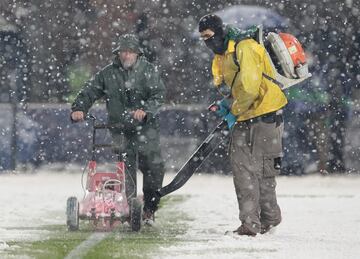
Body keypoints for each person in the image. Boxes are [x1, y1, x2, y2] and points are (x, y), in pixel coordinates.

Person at [198, 14, 288, 236]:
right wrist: (225, 104)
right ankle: (251, 223)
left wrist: (233, 112)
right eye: (203, 38)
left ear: (219, 31)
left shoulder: (244, 46)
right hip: (245, 114)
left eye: (209, 35)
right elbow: (238, 88)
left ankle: (269, 218)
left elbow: (249, 88)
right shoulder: (222, 55)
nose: (207, 41)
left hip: (266, 113)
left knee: (264, 170)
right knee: (243, 170)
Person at [71, 33, 166, 223]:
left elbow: (158, 95)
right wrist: (79, 108)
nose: (126, 56)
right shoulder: (107, 74)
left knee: (154, 168)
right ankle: (132, 210)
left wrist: (145, 110)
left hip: (146, 128)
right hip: (119, 128)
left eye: (130, 52)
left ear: (137, 54)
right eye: (123, 52)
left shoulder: (148, 71)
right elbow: (90, 91)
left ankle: (149, 208)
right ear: (118, 53)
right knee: (125, 170)